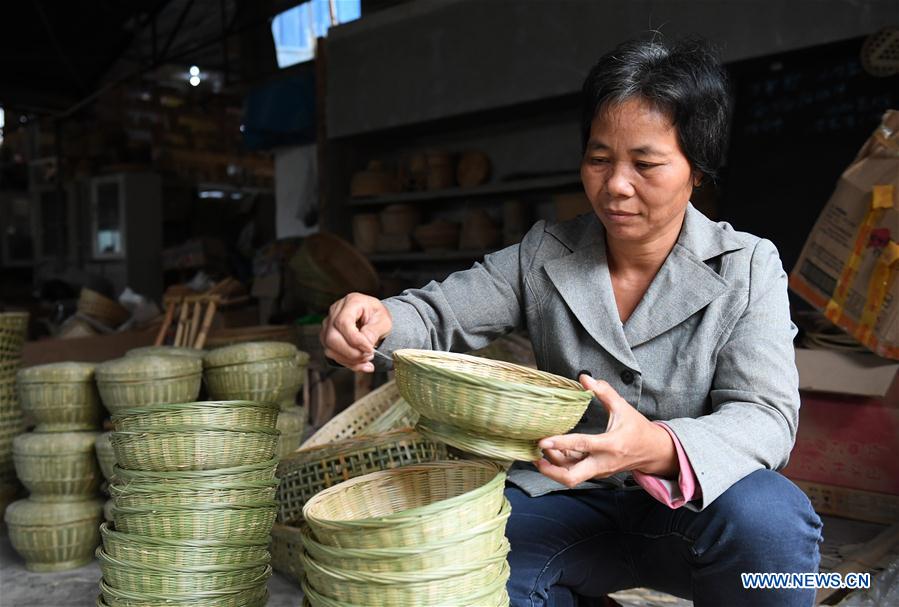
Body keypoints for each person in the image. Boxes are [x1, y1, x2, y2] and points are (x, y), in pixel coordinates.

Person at [321, 36, 822, 607]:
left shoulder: (747, 266)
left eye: (646, 163)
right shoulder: (544, 254)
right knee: (468, 561)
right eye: (599, 157)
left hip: (695, 509)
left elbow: (766, 416)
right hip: (565, 500)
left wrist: (652, 445)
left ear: (697, 170)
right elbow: (439, 315)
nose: (615, 185)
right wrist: (377, 319)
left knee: (772, 523)